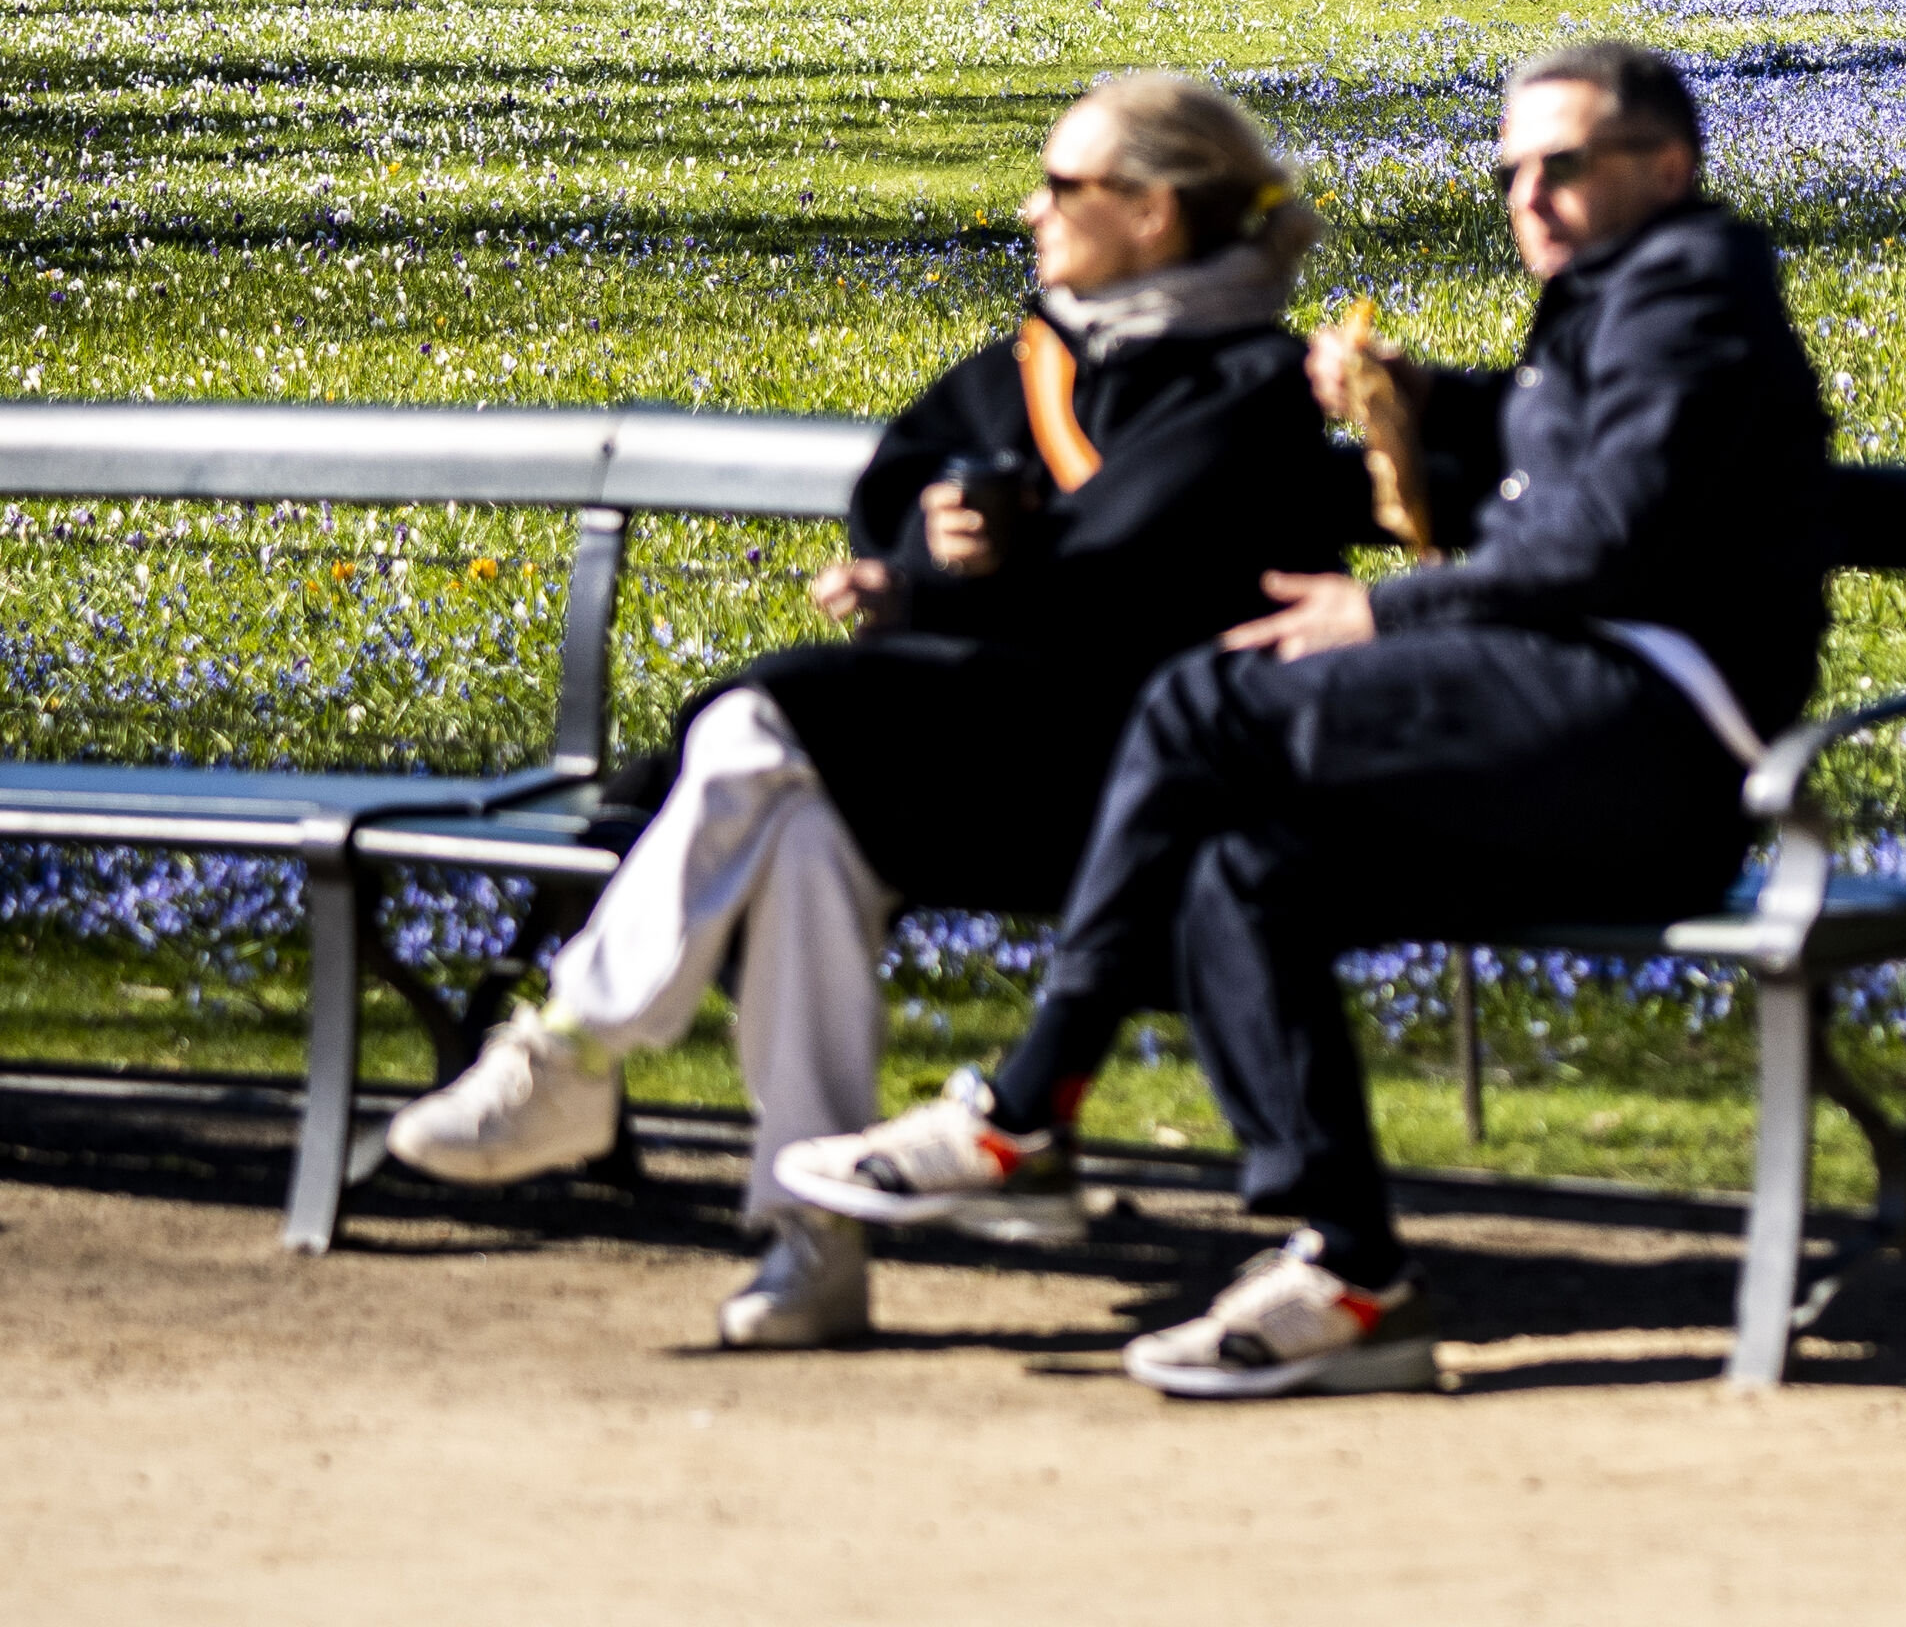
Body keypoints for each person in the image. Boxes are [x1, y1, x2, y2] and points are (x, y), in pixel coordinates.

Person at [772, 41, 1832, 1401]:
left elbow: (1604, 547)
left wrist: (1378, 617)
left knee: (1209, 697)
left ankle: (1029, 1108)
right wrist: (1437, 402)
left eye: (1564, 165)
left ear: (1667, 168)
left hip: (1648, 735)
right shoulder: (1625, 296)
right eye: (1511, 168)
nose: (1529, 194)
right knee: (1243, 864)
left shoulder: (1689, 296)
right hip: (1581, 736)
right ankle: (1350, 1272)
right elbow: (1580, 445)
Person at [381, 73, 1351, 1347]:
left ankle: (571, 1051)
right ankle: (806, 1245)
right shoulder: (1034, 356)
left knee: (762, 713)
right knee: (801, 837)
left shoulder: (1255, 382)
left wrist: (967, 565)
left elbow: (1135, 572)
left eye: (1062, 186)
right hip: (980, 752)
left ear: (1156, 212)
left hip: (1137, 788)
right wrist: (918, 552)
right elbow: (911, 491)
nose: (1031, 210)